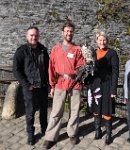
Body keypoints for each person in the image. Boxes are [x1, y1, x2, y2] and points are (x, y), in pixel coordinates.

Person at [43, 21, 85, 149]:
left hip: (75, 83)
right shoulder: (56, 49)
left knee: (74, 111)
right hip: (60, 83)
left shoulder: (78, 49)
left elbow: (81, 67)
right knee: (56, 112)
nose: (69, 33)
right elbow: (51, 68)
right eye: (67, 31)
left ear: (73, 33)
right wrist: (52, 85)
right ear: (63, 33)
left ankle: (72, 133)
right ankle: (50, 137)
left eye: (71, 31)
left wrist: (84, 70)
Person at [13, 27, 49, 145]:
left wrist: (49, 84)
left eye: (36, 35)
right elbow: (16, 70)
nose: (34, 37)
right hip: (30, 88)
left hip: (42, 86)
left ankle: (44, 129)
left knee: (44, 110)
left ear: (39, 36)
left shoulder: (43, 50)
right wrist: (26, 84)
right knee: (30, 112)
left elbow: (48, 68)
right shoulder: (21, 51)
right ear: (27, 36)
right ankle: (30, 134)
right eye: (31, 35)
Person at [87, 31, 119, 145]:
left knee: (107, 109)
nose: (102, 42)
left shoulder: (112, 53)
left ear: (107, 41)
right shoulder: (93, 53)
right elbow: (90, 70)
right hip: (95, 84)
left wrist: (113, 89)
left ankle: (109, 134)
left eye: (104, 40)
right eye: (100, 40)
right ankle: (97, 131)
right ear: (97, 41)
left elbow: (115, 72)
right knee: (96, 109)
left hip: (107, 85)